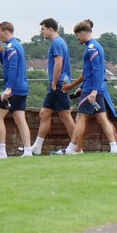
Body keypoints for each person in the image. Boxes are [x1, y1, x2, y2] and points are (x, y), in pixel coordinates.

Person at [55, 20, 117, 154]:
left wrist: (93, 91)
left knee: (80, 118)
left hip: (92, 89)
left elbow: (96, 70)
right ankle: (114, 148)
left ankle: (72, 148)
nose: (77, 38)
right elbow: (89, 71)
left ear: (83, 33)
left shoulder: (91, 48)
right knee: (102, 118)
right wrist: (82, 87)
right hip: (94, 87)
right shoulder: (95, 46)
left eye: (77, 35)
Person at [30, 18, 75, 156]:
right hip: (59, 83)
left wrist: (54, 83)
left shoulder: (56, 43)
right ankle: (36, 147)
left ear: (51, 29)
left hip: (58, 83)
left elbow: (58, 64)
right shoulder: (60, 42)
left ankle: (76, 147)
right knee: (44, 113)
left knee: (65, 115)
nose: (41, 31)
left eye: (43, 29)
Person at [0, 21, 32, 159]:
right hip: (21, 88)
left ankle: (1, 151)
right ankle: (28, 151)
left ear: (6, 31)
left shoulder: (12, 46)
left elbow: (13, 68)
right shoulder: (14, 46)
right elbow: (8, 64)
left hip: (13, 89)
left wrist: (9, 88)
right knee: (20, 118)